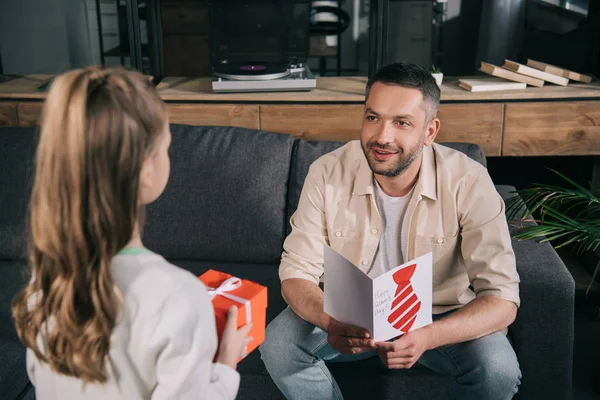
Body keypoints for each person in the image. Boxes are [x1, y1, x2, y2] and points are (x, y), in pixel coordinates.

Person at [259, 62, 521, 400]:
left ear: (430, 131)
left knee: (499, 371)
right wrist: (329, 322)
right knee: (278, 347)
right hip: (346, 314)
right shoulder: (326, 171)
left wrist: (429, 335)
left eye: (402, 123)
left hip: (437, 315)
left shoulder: (468, 180)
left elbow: (502, 297)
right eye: (373, 117)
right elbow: (296, 272)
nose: (382, 136)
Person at [11, 67, 251, 400]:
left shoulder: (45, 285)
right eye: (166, 146)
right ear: (146, 172)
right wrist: (225, 365)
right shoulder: (177, 296)